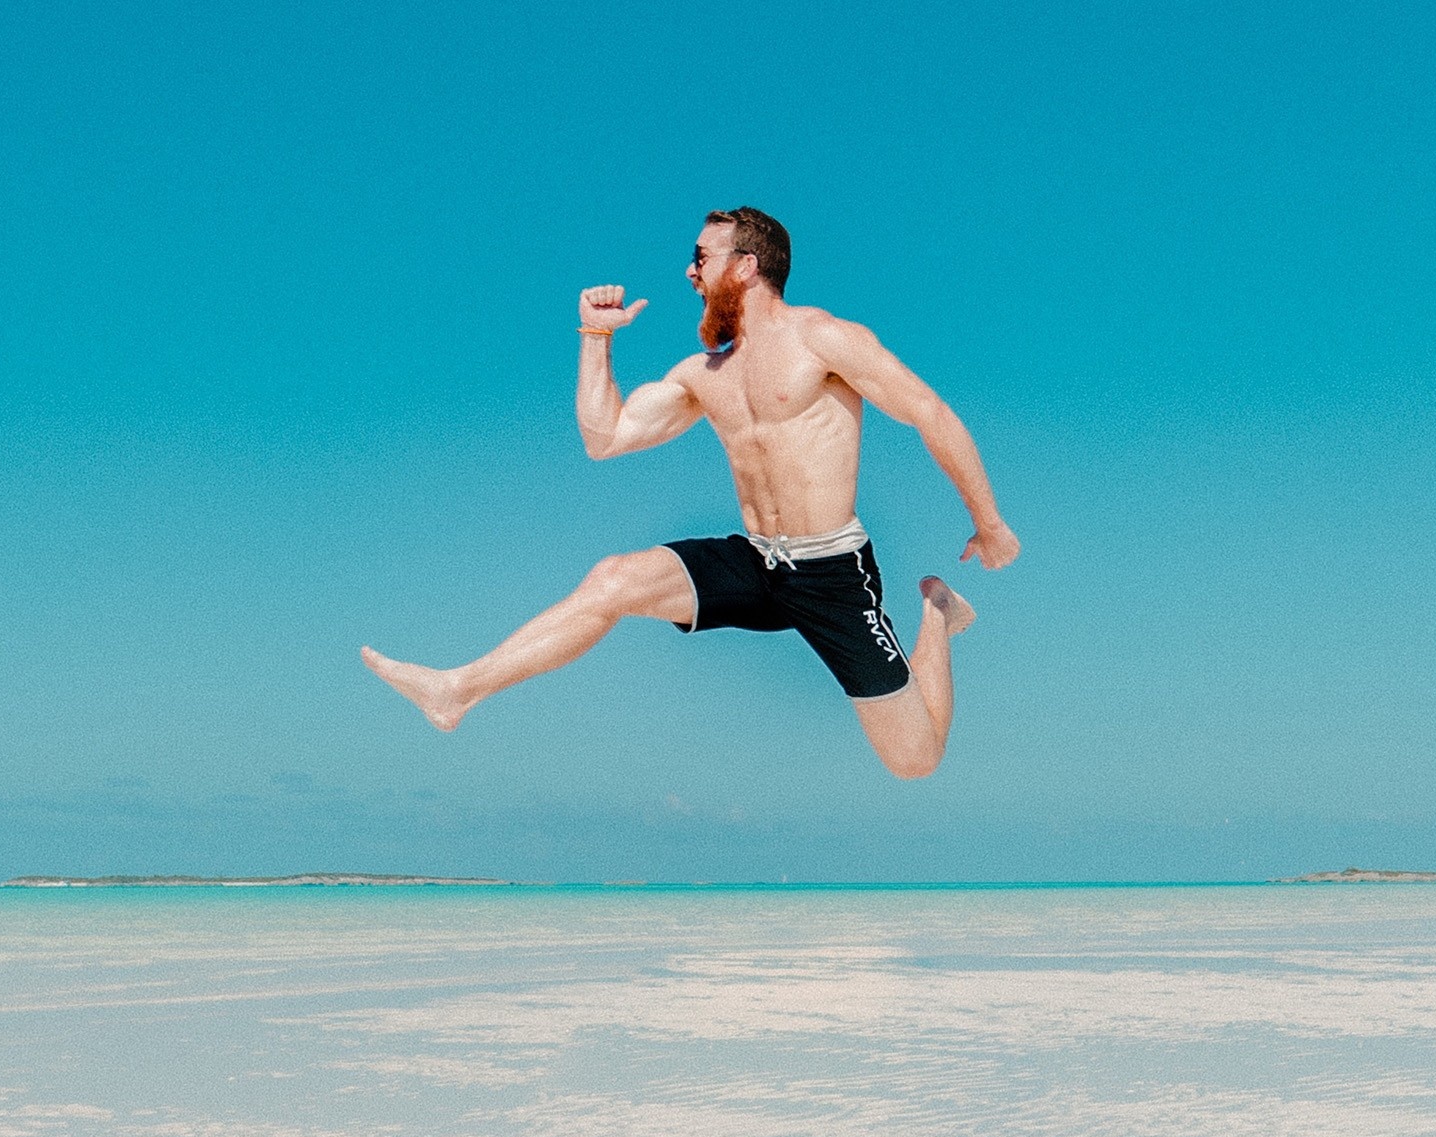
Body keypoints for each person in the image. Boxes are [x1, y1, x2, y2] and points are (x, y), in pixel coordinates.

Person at [361, 206, 1018, 779]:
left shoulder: (824, 338)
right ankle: (458, 691)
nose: (688, 272)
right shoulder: (707, 374)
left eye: (700, 257)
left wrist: (989, 524)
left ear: (746, 266)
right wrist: (596, 338)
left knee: (915, 762)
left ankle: (937, 614)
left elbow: (930, 412)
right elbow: (605, 437)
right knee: (613, 580)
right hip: (757, 561)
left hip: (832, 573)